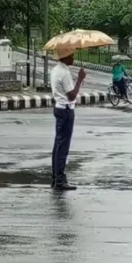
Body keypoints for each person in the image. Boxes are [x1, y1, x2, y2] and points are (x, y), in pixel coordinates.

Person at [50, 48, 86, 191]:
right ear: (65, 57)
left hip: (59, 107)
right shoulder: (64, 73)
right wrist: (80, 79)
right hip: (66, 110)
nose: (73, 57)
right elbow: (71, 95)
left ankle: (55, 178)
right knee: (63, 146)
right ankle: (59, 180)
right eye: (71, 55)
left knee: (58, 145)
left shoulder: (55, 70)